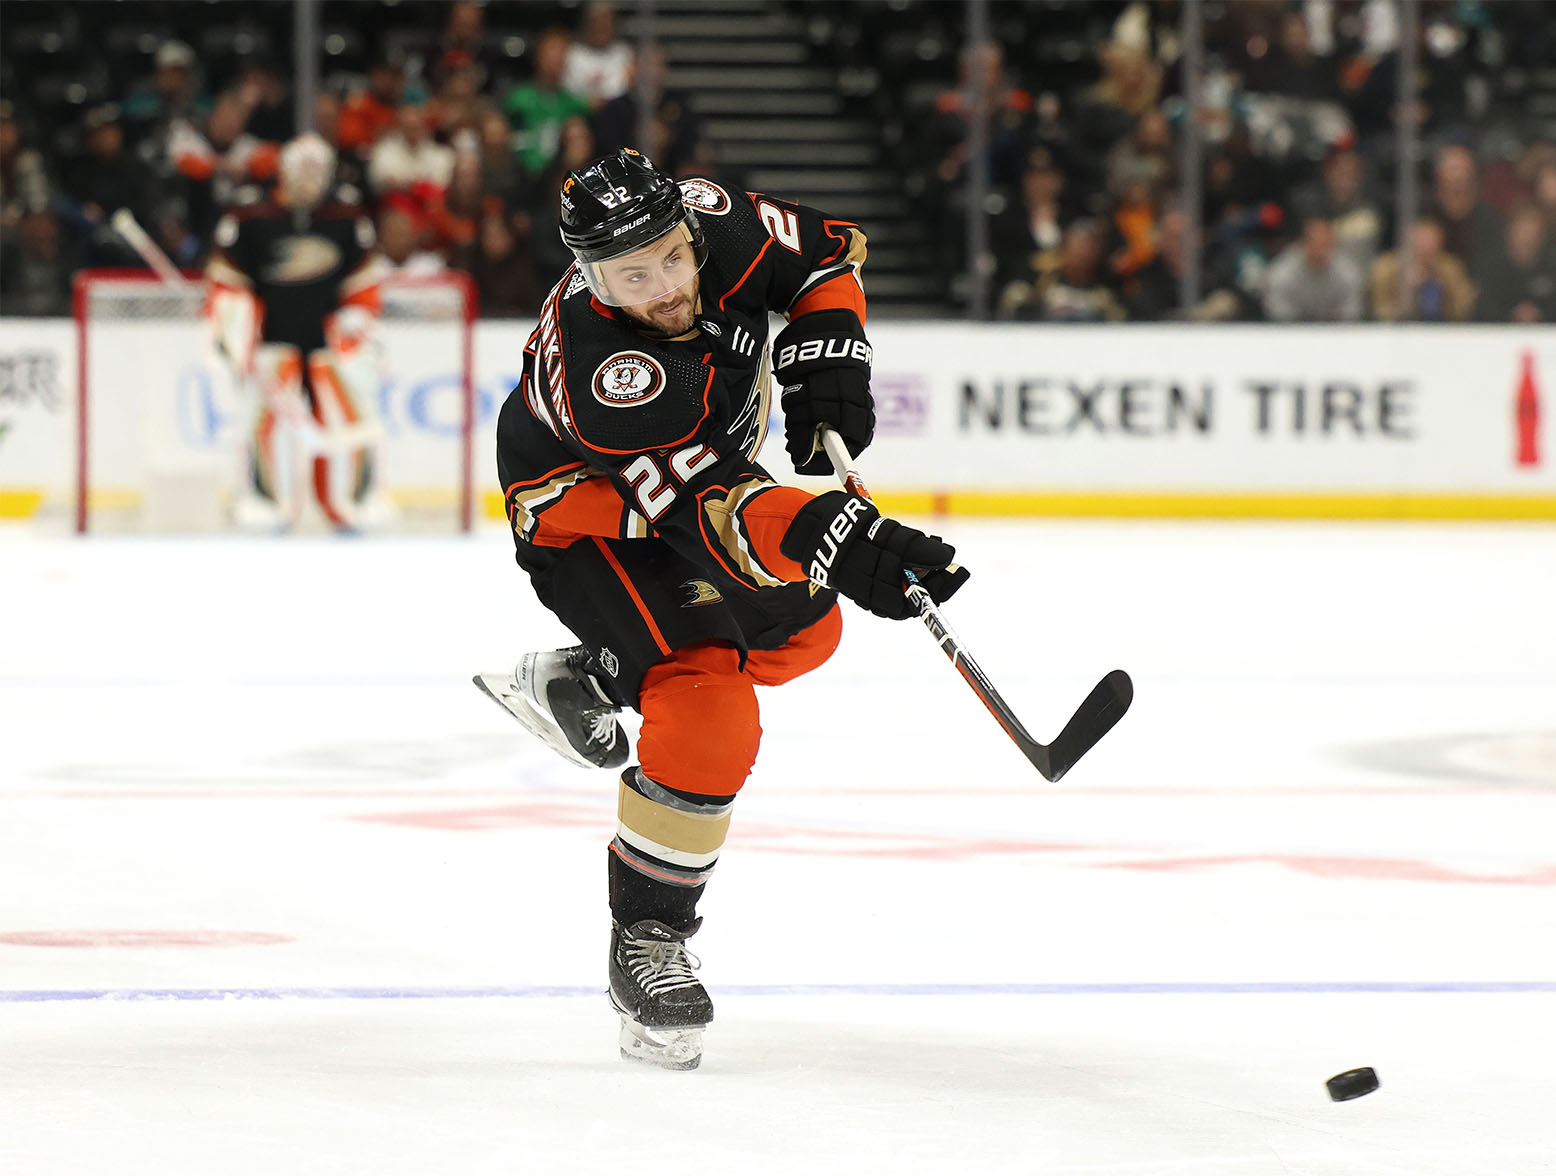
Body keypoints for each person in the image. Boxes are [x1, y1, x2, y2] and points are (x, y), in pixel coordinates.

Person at [485, 150, 967, 1070]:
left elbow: (829, 256)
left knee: (811, 628)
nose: (667, 287)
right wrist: (837, 536)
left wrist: (830, 352)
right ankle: (649, 942)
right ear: (589, 278)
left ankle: (591, 674)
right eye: (633, 276)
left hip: (701, 487)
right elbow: (714, 512)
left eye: (672, 256)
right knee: (708, 703)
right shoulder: (609, 375)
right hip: (590, 518)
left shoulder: (716, 221)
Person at [205, 133, 393, 531]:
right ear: (284, 171)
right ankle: (268, 501)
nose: (310, 178)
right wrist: (232, 322)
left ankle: (351, 502)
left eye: (318, 170)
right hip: (273, 342)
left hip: (331, 346)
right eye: (302, 169)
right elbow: (227, 281)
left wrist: (356, 322)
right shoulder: (250, 215)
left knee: (349, 420)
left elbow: (363, 283)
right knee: (264, 426)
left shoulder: (343, 216)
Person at [1262, 215, 1365, 322]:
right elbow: (1279, 314)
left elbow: (1351, 315)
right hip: (1293, 333)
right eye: (1317, 244)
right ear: (1303, 244)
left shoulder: (1348, 273)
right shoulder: (1282, 274)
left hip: (1335, 334)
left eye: (1326, 244)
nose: (1322, 251)